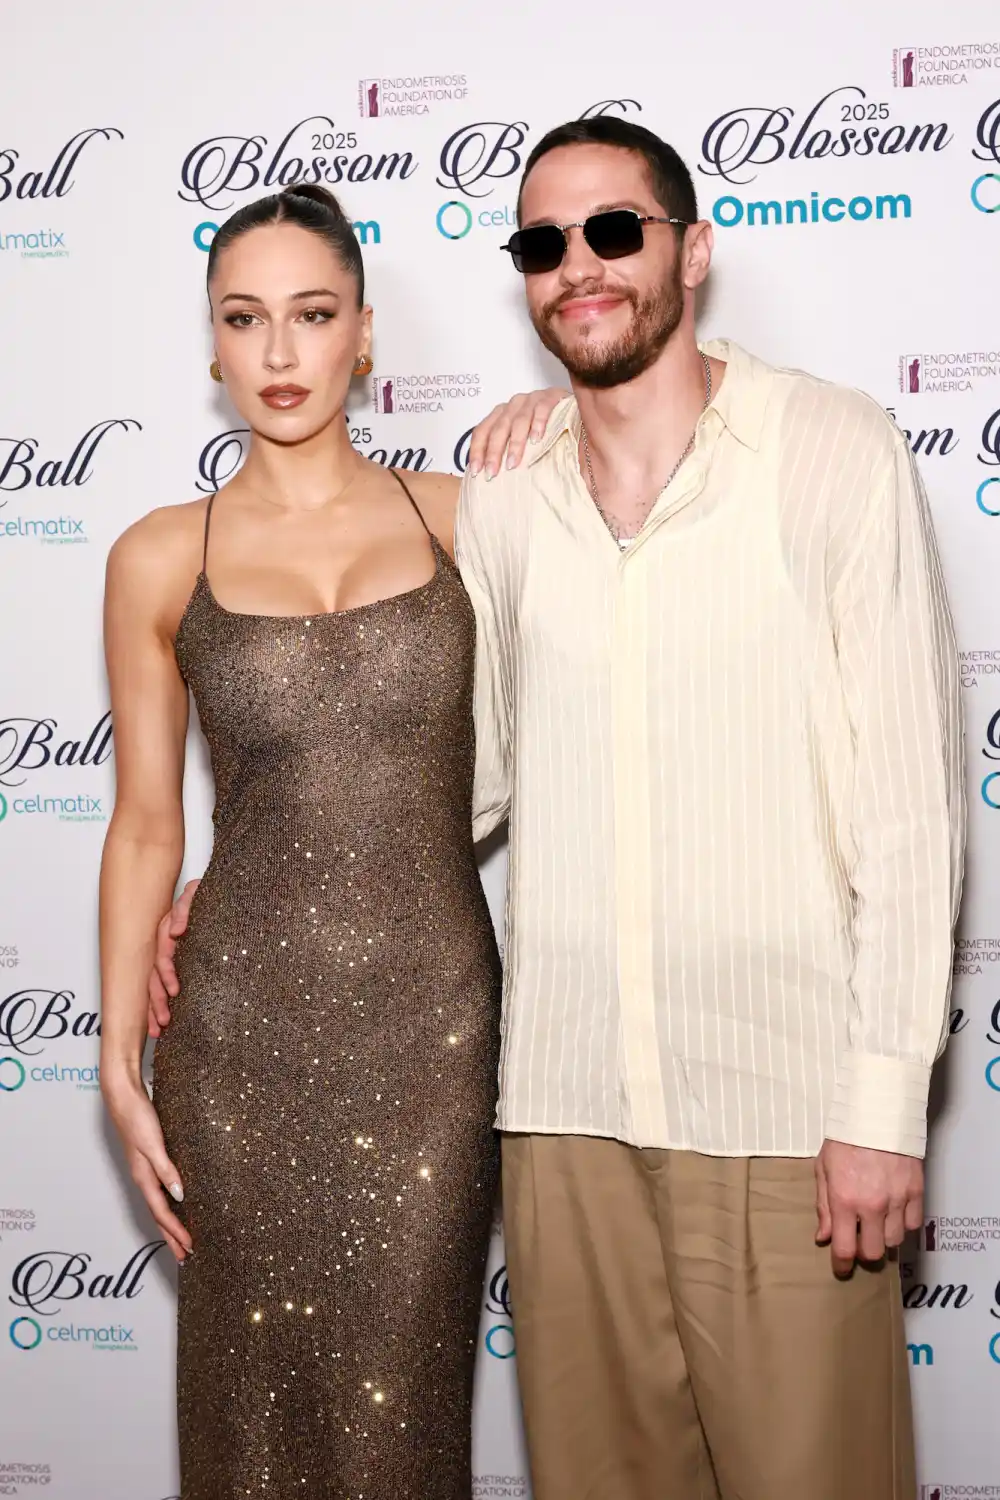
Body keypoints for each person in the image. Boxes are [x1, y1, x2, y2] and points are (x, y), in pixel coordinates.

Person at [149, 119, 965, 1499]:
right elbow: (460, 771)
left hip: (779, 1113)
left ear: (691, 251)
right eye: (543, 242)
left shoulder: (832, 449)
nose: (578, 265)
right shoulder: (508, 501)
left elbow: (911, 810)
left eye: (615, 230)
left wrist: (883, 1106)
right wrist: (262, 878)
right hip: (561, 1119)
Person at [98, 181, 561, 1500]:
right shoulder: (156, 556)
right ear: (213, 344)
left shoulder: (466, 517)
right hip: (237, 1039)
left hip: (434, 1038)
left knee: (401, 1426)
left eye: (312, 315)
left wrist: (557, 417)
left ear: (364, 335)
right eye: (245, 318)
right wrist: (117, 1058)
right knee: (248, 1426)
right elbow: (146, 822)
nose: (280, 352)